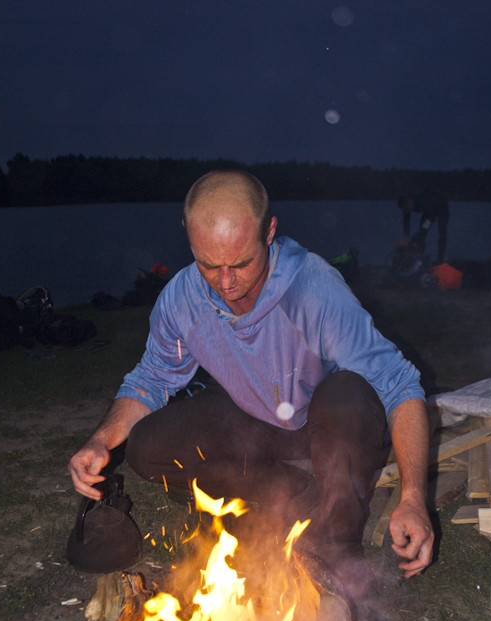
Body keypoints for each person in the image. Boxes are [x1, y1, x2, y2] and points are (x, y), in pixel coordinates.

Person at [69, 170, 434, 582]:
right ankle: (295, 494)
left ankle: (338, 540)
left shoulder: (311, 288)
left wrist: (414, 497)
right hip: (257, 418)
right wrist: (101, 440)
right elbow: (153, 379)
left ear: (270, 231)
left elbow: (399, 386)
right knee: (146, 447)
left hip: (331, 420)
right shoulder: (182, 297)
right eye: (209, 264)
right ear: (189, 238)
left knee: (347, 392)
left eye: (241, 263)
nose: (226, 283)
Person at [398, 189, 449, 265]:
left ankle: (440, 260)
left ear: (409, 202)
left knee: (441, 234)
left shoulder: (421, 201)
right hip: (429, 211)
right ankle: (419, 257)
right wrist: (407, 236)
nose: (408, 211)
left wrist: (424, 228)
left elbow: (431, 216)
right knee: (421, 234)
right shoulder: (406, 206)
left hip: (441, 208)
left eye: (408, 208)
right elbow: (406, 221)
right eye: (406, 210)